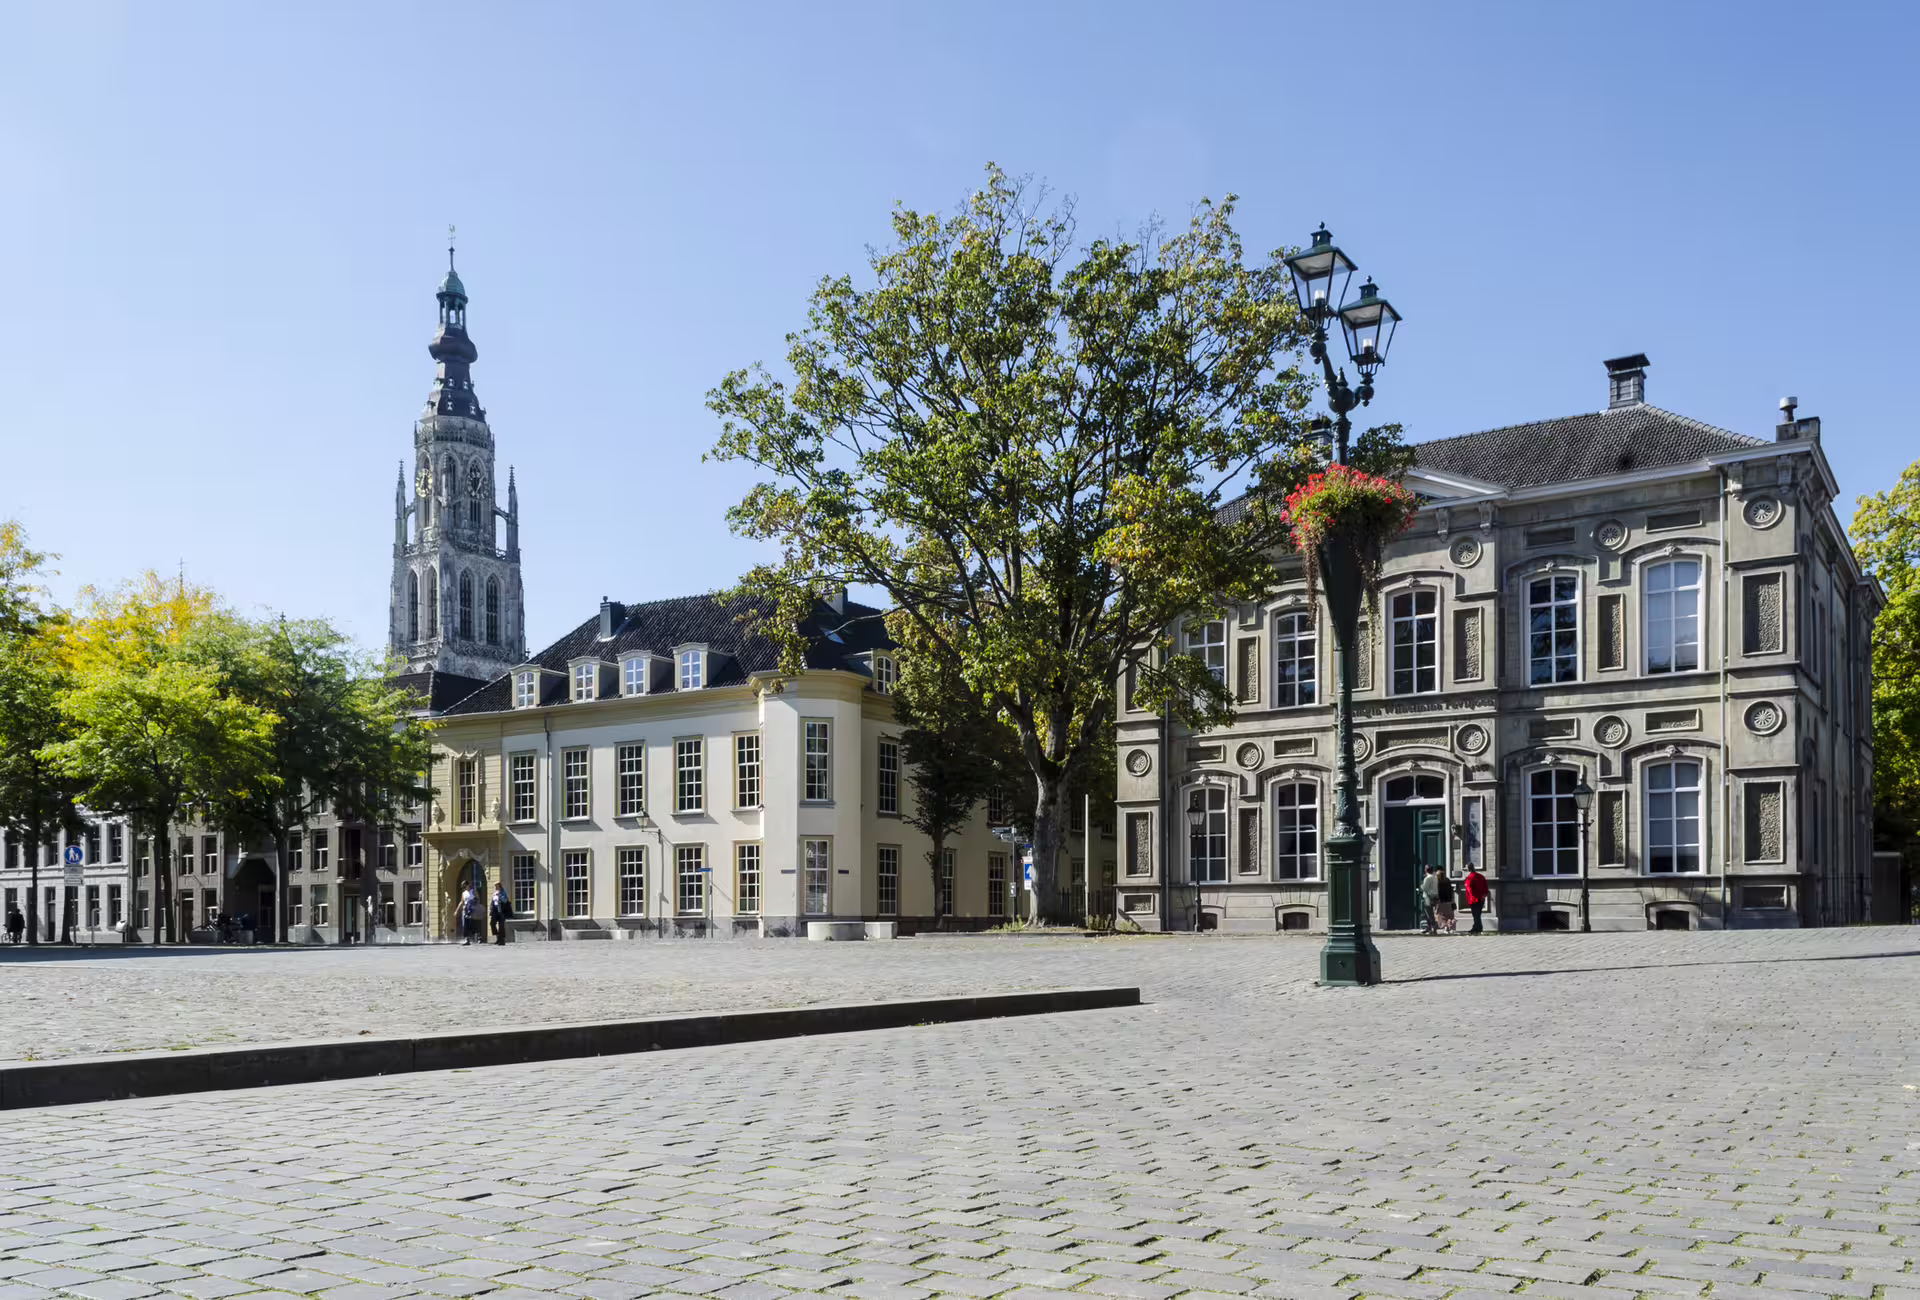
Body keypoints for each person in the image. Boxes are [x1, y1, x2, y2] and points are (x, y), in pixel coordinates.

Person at [1462, 863, 1490, 934]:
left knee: (1475, 914)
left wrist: (1471, 898)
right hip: (1481, 898)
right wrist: (1484, 896)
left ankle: (1478, 928)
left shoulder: (1469, 878)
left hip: (1473, 899)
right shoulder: (1481, 876)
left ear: (1468, 869)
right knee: (1478, 914)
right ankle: (1475, 927)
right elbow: (1486, 888)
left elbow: (1469, 889)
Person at [1433, 868, 1458, 934]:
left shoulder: (1437, 882)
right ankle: (1451, 928)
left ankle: (1445, 927)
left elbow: (1436, 892)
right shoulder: (1447, 880)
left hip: (1440, 902)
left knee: (1441, 916)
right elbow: (1451, 891)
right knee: (1449, 916)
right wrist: (1452, 900)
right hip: (1449, 901)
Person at [1419, 865, 1441, 935]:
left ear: (1426, 870)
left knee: (1429, 913)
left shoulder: (1427, 878)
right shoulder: (1435, 877)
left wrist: (1421, 886)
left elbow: (1425, 888)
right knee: (1431, 912)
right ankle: (1429, 927)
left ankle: (1433, 927)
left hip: (1428, 897)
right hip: (1435, 896)